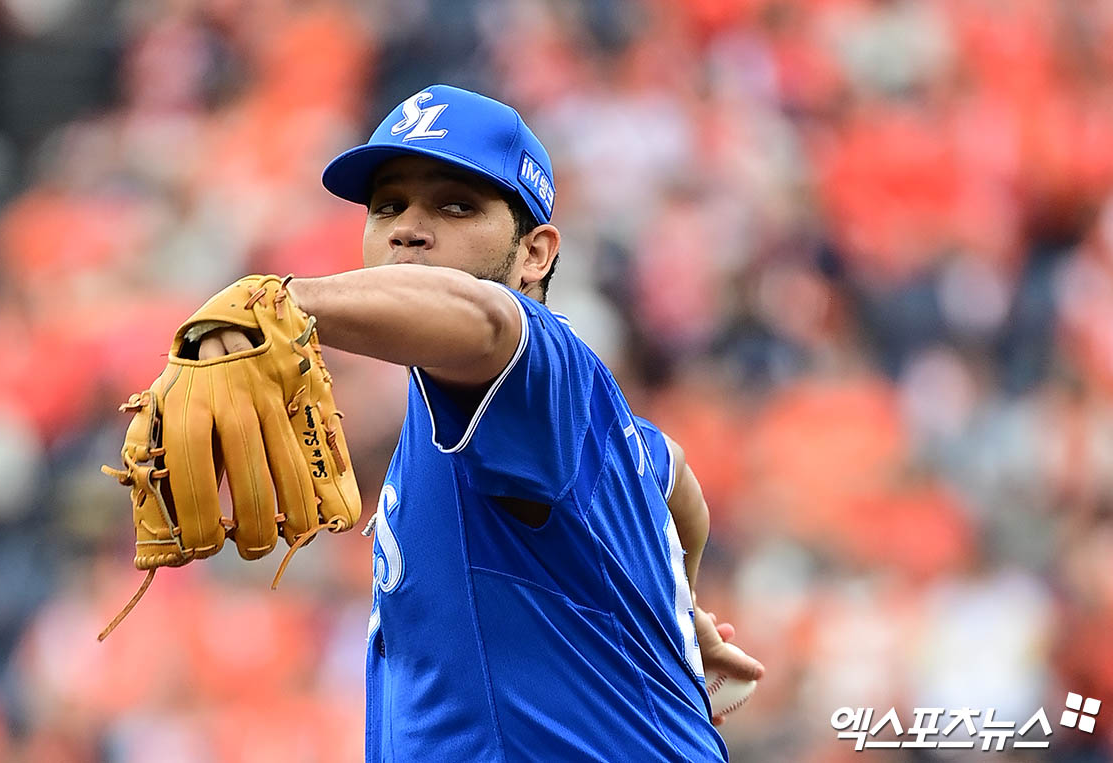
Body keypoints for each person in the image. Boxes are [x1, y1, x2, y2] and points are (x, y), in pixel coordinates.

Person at [198, 84, 763, 762]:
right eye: (388, 205)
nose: (408, 225)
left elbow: (488, 320)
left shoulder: (532, 362)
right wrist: (679, 608)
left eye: (456, 204)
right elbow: (674, 476)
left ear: (536, 254)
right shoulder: (541, 414)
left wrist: (282, 302)